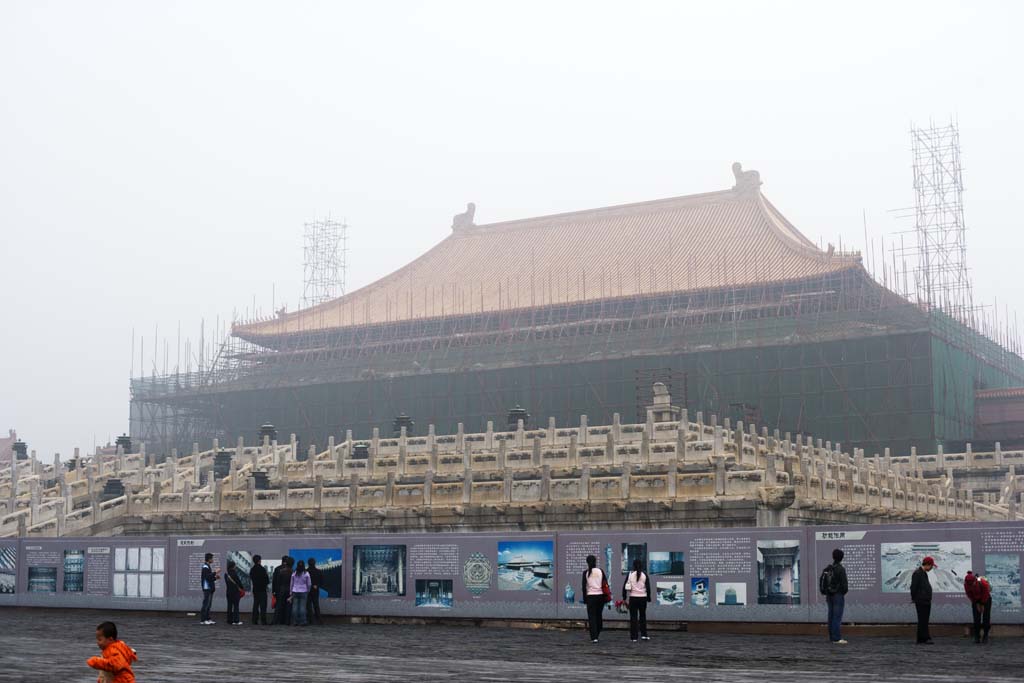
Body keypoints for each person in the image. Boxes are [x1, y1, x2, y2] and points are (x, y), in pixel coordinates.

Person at [822, 548, 850, 644]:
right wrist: (841, 592)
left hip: (829, 595)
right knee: (837, 617)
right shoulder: (840, 569)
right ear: (842, 558)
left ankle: (832, 637)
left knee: (831, 616)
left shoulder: (828, 568)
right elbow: (845, 585)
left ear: (833, 557)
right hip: (838, 595)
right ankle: (837, 638)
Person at [622, 558, 652, 643]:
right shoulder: (644, 574)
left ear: (633, 566)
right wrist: (648, 598)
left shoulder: (630, 574)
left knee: (633, 618)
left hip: (633, 598)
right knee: (642, 616)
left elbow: (624, 587)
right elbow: (648, 588)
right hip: (643, 598)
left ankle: (634, 637)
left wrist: (624, 597)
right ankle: (644, 635)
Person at [582, 554, 607, 643]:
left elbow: (584, 587)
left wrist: (585, 599)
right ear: (595, 561)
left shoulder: (586, 573)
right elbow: (605, 584)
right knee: (599, 615)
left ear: (587, 562)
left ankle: (594, 637)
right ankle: (598, 632)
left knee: (592, 617)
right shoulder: (600, 571)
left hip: (590, 597)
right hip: (600, 596)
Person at [910, 555, 935, 644]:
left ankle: (921, 638)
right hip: (921, 600)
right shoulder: (917, 573)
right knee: (923, 619)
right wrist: (914, 598)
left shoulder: (923, 573)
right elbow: (913, 587)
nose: (932, 568)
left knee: (924, 619)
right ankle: (925, 637)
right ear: (927, 564)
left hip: (925, 600)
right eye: (932, 566)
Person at [964, 570, 992, 644]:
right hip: (975, 600)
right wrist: (976, 603)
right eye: (969, 584)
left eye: (972, 584)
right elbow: (969, 594)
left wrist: (982, 604)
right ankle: (977, 636)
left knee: (986, 617)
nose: (971, 586)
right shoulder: (966, 585)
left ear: (975, 581)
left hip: (986, 599)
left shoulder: (983, 582)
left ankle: (985, 636)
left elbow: (986, 594)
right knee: (976, 618)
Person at [272, 556, 293, 625]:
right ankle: (287, 621)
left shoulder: (278, 569)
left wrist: (274, 591)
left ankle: (275, 621)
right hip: (289, 590)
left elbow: (275, 581)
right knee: (288, 606)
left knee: (278, 606)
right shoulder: (292, 571)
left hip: (280, 590)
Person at [199, 553, 219, 625]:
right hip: (207, 588)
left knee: (208, 604)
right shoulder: (205, 567)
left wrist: (215, 578)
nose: (213, 560)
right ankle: (203, 620)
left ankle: (207, 618)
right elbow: (207, 577)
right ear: (209, 559)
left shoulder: (207, 566)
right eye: (212, 558)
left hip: (209, 588)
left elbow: (209, 578)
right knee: (206, 604)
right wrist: (215, 572)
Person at [289, 559, 311, 626]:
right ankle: (303, 621)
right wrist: (308, 590)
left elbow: (291, 583)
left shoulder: (294, 573)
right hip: (303, 591)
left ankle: (295, 621)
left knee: (294, 607)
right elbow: (309, 584)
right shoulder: (306, 573)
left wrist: (290, 591)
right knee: (302, 607)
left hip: (295, 591)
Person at [250, 554, 270, 625]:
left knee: (255, 605)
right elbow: (267, 580)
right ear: (259, 561)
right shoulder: (262, 569)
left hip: (255, 590)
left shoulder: (252, 569)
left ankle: (254, 620)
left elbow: (251, 578)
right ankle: (263, 620)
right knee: (263, 606)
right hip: (262, 590)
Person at [224, 560, 243, 626]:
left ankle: (229, 620)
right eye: (235, 565)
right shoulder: (234, 573)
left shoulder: (226, 574)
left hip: (228, 592)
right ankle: (236, 621)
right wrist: (242, 588)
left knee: (229, 606)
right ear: (233, 566)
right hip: (235, 592)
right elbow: (239, 583)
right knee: (236, 606)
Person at [307, 557, 324, 625]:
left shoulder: (306, 571)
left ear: (308, 563)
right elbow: (322, 581)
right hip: (315, 590)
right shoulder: (319, 571)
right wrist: (317, 585)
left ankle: (311, 620)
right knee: (316, 605)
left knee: (308, 605)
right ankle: (319, 620)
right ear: (315, 563)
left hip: (307, 590)